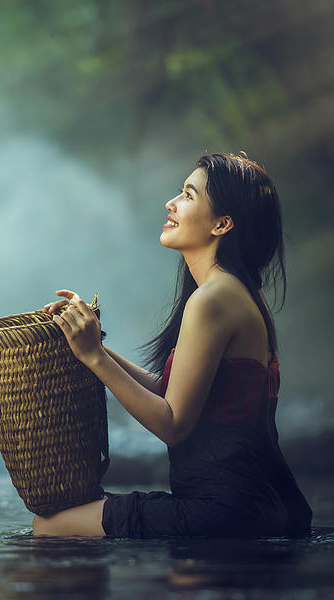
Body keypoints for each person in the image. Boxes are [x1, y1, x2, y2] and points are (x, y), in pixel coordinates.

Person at [31, 152, 313, 538]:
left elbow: (173, 424)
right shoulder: (238, 292)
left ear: (222, 224)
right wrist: (87, 342)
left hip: (225, 511)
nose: (172, 203)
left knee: (49, 525)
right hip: (268, 505)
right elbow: (174, 393)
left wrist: (94, 356)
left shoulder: (212, 300)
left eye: (188, 195)